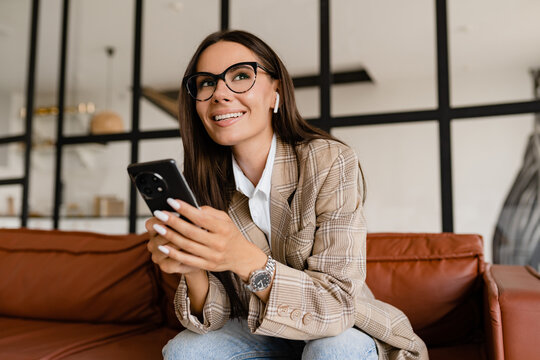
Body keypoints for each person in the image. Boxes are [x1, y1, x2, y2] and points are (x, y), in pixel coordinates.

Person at [145, 30, 427, 360]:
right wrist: (190, 266)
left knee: (332, 350)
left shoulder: (328, 160)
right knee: (185, 352)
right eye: (206, 82)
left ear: (274, 92)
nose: (220, 93)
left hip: (338, 326)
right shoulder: (203, 184)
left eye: (240, 76)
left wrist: (242, 257)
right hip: (262, 330)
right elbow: (216, 318)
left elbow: (336, 306)